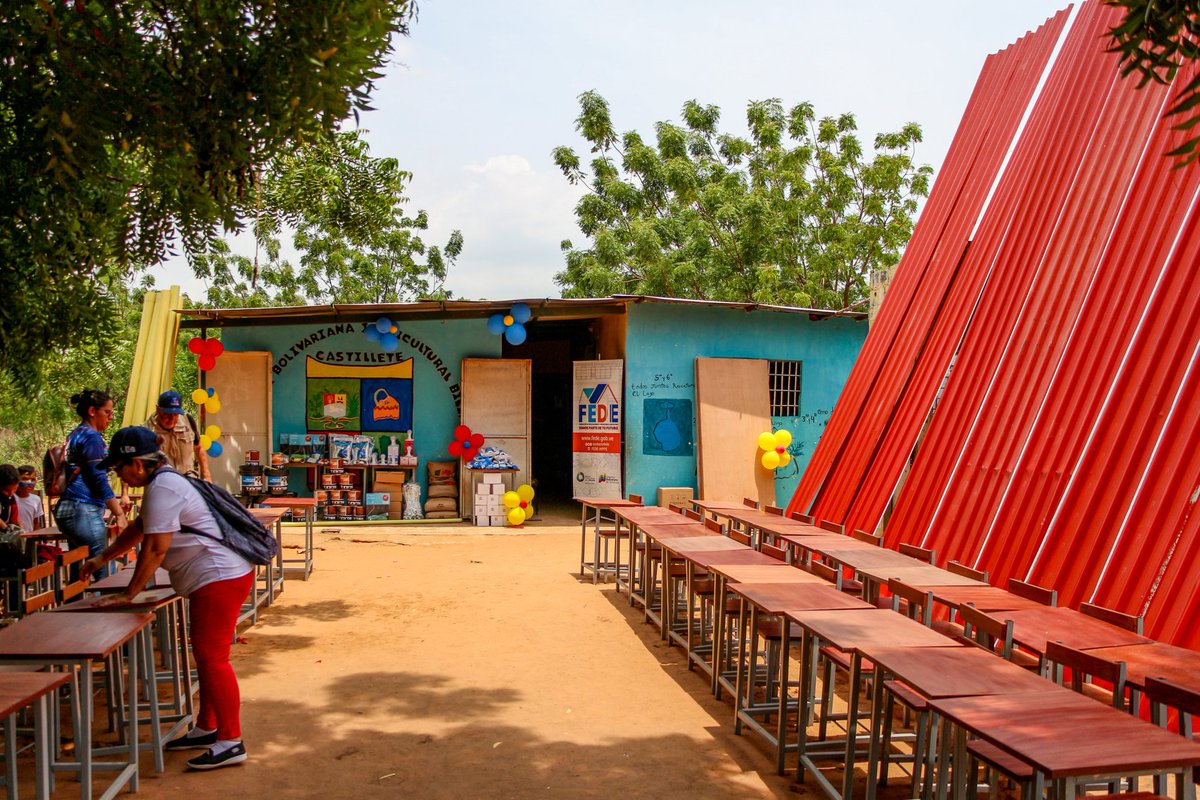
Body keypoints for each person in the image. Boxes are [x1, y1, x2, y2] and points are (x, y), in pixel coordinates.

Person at [81, 426, 253, 771]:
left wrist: (130, 594)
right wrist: (103, 558)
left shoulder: (164, 488)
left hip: (219, 576)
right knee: (205, 656)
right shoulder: (164, 484)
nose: (120, 478)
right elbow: (138, 529)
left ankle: (231, 741)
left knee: (212, 657)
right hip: (214, 576)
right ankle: (208, 726)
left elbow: (155, 548)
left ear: (138, 465)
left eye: (120, 469)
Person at [53, 388, 128, 561]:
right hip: (83, 508)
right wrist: (119, 514)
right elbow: (98, 478)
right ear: (92, 411)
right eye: (107, 412)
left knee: (79, 568)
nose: (110, 417)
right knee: (102, 567)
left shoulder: (76, 434)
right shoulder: (91, 436)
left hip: (69, 508)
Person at [145, 390, 211, 480]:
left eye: (175, 414)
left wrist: (207, 476)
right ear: (158, 409)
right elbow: (130, 460)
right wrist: (125, 492)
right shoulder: (146, 430)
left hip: (188, 479)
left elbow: (198, 448)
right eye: (167, 414)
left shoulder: (188, 421)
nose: (171, 419)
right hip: (161, 482)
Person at [15, 466, 44, 532]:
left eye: (33, 479)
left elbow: (36, 523)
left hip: (30, 538)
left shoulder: (36, 499)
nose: (29, 483)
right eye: (25, 479)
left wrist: (36, 540)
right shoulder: (11, 498)